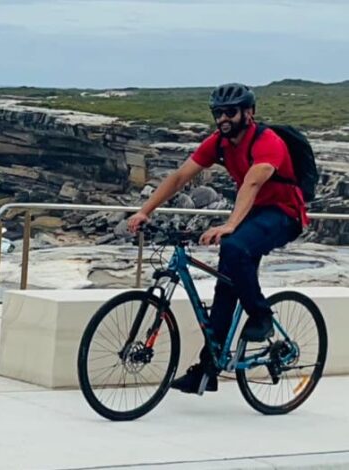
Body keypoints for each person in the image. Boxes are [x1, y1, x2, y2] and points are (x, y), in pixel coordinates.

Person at [127, 83, 307, 394]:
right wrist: (145, 211)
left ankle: (261, 316)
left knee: (234, 245)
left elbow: (252, 183)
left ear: (248, 112)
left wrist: (230, 225)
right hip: (252, 213)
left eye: (230, 112)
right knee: (225, 288)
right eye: (218, 112)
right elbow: (180, 177)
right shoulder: (219, 143)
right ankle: (206, 370)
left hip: (283, 214)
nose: (223, 118)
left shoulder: (267, 141)